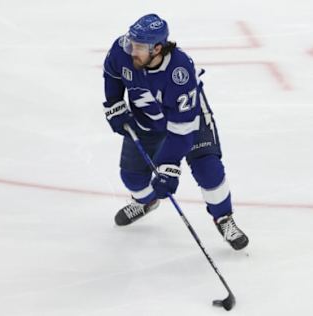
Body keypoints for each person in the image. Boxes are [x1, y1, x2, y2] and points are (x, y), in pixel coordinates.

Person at [102, 14, 249, 250]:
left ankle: (224, 218)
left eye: (139, 47)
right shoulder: (122, 49)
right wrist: (114, 103)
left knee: (208, 169)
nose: (132, 50)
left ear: (157, 48)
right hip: (146, 119)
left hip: (189, 120)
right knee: (131, 178)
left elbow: (182, 132)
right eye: (132, 43)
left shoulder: (179, 72)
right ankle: (147, 202)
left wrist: (168, 166)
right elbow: (113, 73)